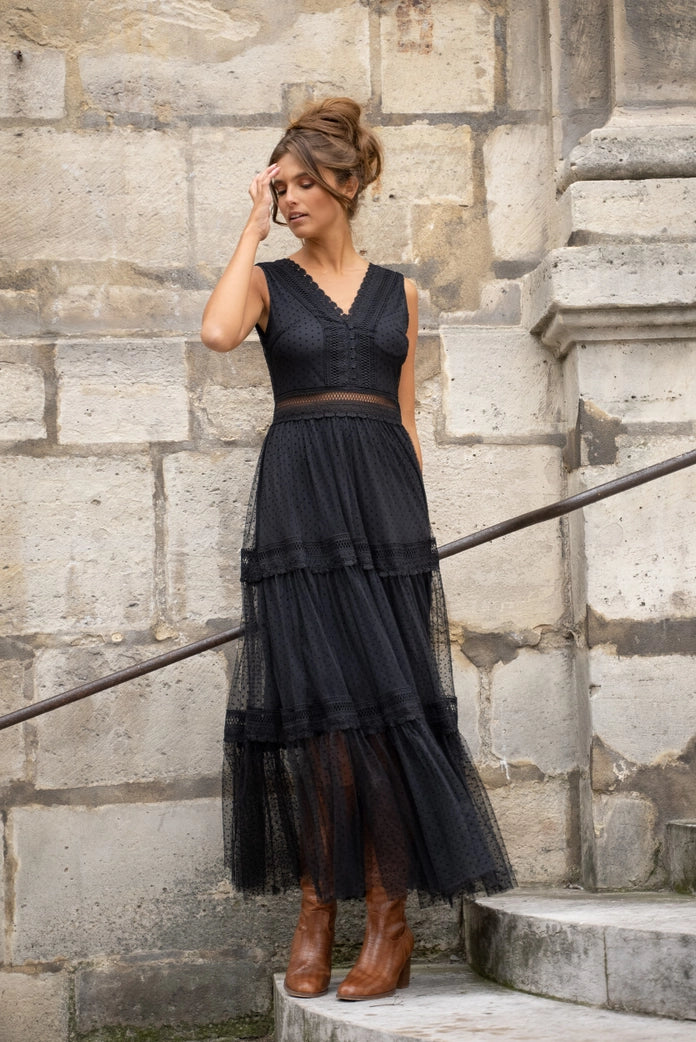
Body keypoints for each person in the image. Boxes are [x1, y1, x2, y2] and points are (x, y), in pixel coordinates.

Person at [200, 97, 515, 1003]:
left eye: (304, 184)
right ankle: (316, 908)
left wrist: (412, 538)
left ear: (347, 184)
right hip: (300, 518)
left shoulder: (400, 294)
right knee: (319, 721)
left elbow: (405, 419)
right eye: (280, 186)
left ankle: (388, 917)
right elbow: (218, 333)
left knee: (385, 715)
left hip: (385, 519)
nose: (290, 199)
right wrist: (250, 227)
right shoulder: (269, 282)